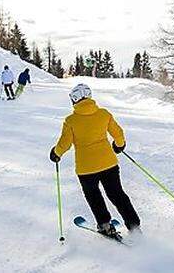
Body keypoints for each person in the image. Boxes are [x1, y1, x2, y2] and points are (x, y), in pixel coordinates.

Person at [50, 83, 141, 238]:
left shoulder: (71, 120)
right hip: (109, 164)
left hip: (86, 169)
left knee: (93, 195)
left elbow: (65, 143)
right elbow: (118, 134)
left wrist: (56, 153)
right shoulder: (104, 114)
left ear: (75, 100)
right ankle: (134, 226)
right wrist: (119, 146)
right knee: (117, 194)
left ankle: (105, 225)